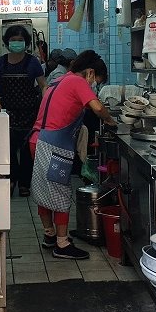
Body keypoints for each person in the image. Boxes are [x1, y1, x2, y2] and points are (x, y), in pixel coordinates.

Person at [28, 50, 118, 259]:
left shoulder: (60, 80)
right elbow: (97, 108)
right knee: (60, 193)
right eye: (96, 81)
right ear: (90, 72)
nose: (94, 85)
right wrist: (110, 121)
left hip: (37, 140)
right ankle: (62, 244)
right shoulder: (78, 82)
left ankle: (50, 234)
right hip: (54, 146)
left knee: (44, 191)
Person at [0, 25, 46, 197]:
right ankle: (12, 179)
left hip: (30, 112)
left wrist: (45, 106)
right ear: (7, 42)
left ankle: (24, 184)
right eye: (13, 40)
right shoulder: (1, 62)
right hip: (8, 112)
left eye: (20, 40)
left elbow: (43, 86)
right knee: (9, 148)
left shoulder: (33, 62)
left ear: (26, 42)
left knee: (28, 149)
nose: (16, 43)